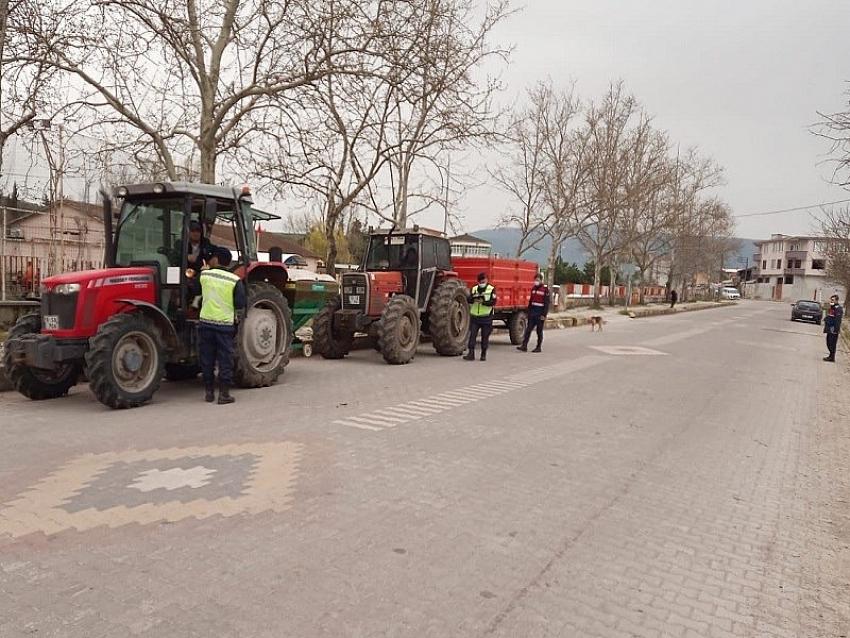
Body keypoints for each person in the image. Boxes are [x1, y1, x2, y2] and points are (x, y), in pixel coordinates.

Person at [198, 247, 246, 404]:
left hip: (205, 324)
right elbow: (240, 303)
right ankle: (224, 394)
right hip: (225, 326)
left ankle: (209, 393)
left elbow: (195, 287)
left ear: (216, 260)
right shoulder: (234, 280)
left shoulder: (205, 275)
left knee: (207, 359)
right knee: (225, 359)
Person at [464, 272, 496, 362]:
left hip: (486, 317)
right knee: (472, 336)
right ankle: (471, 354)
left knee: (484, 337)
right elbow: (468, 300)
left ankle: (483, 354)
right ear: (478, 281)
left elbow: (493, 302)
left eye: (484, 280)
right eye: (481, 281)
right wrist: (474, 298)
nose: (483, 282)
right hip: (475, 317)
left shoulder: (491, 289)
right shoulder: (474, 289)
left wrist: (483, 302)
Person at [518, 273, 550, 353]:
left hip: (540, 313)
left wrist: (544, 315)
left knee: (539, 331)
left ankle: (538, 347)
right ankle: (524, 346)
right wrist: (528, 312)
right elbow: (531, 301)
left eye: (538, 280)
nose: (536, 281)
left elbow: (546, 304)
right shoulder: (533, 289)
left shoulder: (545, 290)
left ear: (541, 280)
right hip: (532, 313)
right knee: (528, 330)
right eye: (535, 280)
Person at [823, 294, 844, 363]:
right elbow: (830, 316)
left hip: (833, 329)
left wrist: (836, 330)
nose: (831, 301)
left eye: (833, 300)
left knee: (832, 343)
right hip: (829, 328)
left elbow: (838, 320)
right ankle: (830, 356)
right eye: (831, 299)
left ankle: (832, 357)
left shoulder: (838, 308)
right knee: (828, 342)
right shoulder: (832, 307)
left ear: (836, 300)